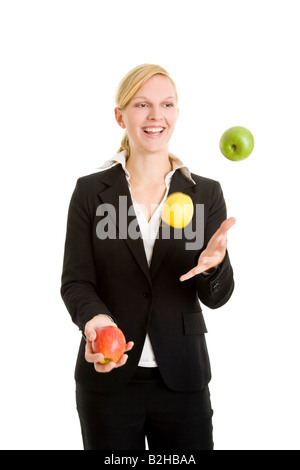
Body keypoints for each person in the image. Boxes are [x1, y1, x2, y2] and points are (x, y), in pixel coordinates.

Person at [61, 64, 236, 451]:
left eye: (167, 104)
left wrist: (214, 265)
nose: (156, 116)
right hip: (108, 382)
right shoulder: (92, 192)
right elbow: (76, 281)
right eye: (142, 105)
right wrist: (97, 321)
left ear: (176, 113)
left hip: (183, 378)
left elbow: (217, 297)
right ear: (120, 116)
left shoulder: (204, 193)